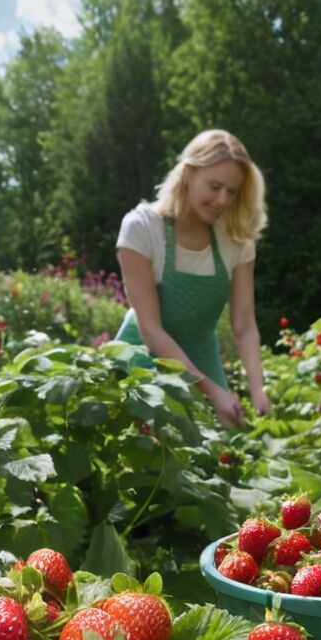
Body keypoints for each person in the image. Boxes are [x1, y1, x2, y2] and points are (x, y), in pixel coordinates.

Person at [115, 129, 271, 427]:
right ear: (187, 173)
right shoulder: (142, 229)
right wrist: (212, 392)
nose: (222, 200)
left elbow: (244, 325)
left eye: (233, 191)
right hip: (141, 362)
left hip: (202, 358)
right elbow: (151, 330)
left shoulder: (236, 241)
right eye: (214, 186)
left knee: (227, 457)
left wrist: (257, 390)